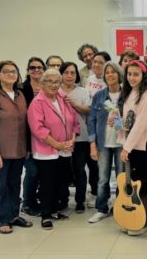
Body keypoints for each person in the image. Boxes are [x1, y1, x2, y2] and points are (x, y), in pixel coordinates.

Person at [0, 60, 32, 234]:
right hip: (0, 151)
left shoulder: (19, 94)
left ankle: (13, 215)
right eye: (7, 71)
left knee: (14, 183)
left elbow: (25, 123)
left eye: (14, 71)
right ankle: (3, 218)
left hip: (18, 150)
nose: (11, 74)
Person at [28, 68, 80, 230]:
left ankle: (55, 209)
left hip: (65, 148)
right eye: (49, 81)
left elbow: (73, 119)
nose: (53, 84)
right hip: (46, 151)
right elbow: (38, 129)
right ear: (42, 83)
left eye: (56, 81)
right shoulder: (37, 102)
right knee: (47, 183)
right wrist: (56, 144)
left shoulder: (63, 98)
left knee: (61, 181)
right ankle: (45, 215)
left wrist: (73, 137)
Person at [117, 60, 147, 235]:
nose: (132, 77)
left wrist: (127, 148)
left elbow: (141, 124)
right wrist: (115, 122)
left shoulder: (145, 94)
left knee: (142, 183)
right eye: (129, 74)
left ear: (143, 76)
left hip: (141, 145)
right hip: (128, 144)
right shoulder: (125, 93)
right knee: (129, 182)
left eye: (136, 74)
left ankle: (144, 219)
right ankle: (131, 216)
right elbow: (125, 120)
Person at [88, 62, 124, 223]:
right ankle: (101, 209)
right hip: (103, 144)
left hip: (122, 144)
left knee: (122, 178)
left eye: (113, 72)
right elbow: (92, 120)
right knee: (103, 179)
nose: (110, 75)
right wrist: (92, 144)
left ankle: (121, 207)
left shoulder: (127, 95)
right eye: (107, 72)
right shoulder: (99, 96)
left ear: (119, 74)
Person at [59, 61, 95, 213]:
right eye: (66, 72)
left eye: (73, 73)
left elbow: (88, 110)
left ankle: (80, 200)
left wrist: (73, 104)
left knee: (80, 171)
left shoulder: (83, 91)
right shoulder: (56, 90)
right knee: (64, 171)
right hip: (60, 140)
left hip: (81, 138)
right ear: (61, 75)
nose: (69, 76)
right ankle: (63, 199)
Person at [83, 51, 111, 208]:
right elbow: (90, 110)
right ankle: (100, 203)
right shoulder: (90, 81)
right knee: (100, 173)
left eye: (100, 62)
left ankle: (118, 204)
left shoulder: (116, 87)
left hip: (113, 134)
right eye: (94, 62)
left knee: (116, 174)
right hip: (94, 131)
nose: (95, 64)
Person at [20, 57, 46, 217]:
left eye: (39, 68)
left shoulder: (48, 87)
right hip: (27, 137)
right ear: (28, 70)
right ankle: (27, 202)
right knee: (32, 171)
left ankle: (36, 199)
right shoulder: (22, 89)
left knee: (42, 172)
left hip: (44, 138)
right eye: (32, 67)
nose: (36, 70)